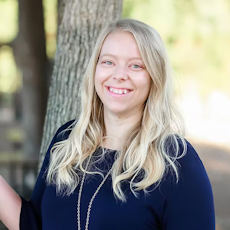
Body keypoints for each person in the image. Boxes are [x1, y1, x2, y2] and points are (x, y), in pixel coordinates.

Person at [0, 18, 215, 230]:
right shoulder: (68, 140)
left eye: (136, 65)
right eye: (108, 62)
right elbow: (34, 225)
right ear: (95, 70)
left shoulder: (177, 162)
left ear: (154, 77)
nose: (119, 75)